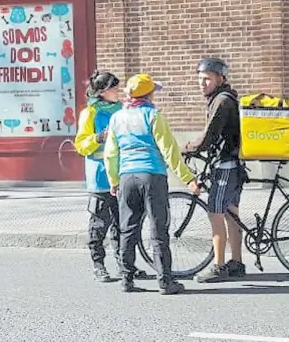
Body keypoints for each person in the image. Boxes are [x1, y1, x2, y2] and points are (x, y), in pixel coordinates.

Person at [103, 73, 201, 294]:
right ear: (148, 94)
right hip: (152, 175)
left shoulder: (117, 118)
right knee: (158, 229)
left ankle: (126, 279)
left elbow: (110, 153)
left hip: (127, 176)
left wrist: (114, 180)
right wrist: (188, 179)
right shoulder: (153, 116)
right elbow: (170, 151)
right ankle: (165, 281)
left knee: (127, 229)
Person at [74, 69, 147, 283]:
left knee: (123, 224)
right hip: (100, 176)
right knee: (99, 223)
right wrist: (98, 138)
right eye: (114, 88)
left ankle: (125, 265)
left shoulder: (122, 109)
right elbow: (80, 145)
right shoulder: (90, 113)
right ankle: (98, 265)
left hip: (121, 173)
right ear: (103, 91)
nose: (119, 91)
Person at [183, 57, 248, 283]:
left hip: (226, 166)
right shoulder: (222, 98)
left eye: (207, 79)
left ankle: (219, 265)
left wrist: (188, 148)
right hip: (233, 164)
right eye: (200, 79)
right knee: (231, 213)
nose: (202, 84)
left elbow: (210, 135)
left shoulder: (222, 101)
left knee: (216, 213)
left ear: (221, 78)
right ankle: (237, 263)